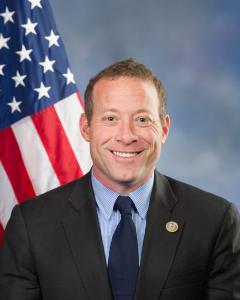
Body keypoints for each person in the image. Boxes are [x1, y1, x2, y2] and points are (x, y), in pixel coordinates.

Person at [0, 58, 239, 300]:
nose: (126, 136)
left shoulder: (214, 221)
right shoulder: (31, 226)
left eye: (142, 119)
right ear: (86, 128)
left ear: (164, 129)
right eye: (111, 119)